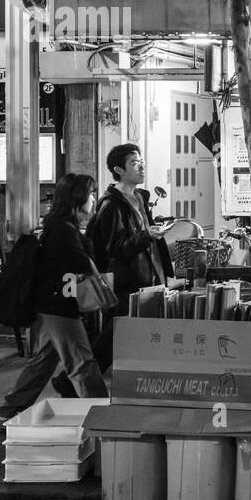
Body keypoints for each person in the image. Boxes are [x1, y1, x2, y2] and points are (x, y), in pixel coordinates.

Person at [0, 175, 110, 430]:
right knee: (82, 362)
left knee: (44, 360)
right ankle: (104, 417)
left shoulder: (58, 225)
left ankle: (8, 410)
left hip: (51, 303)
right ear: (77, 198)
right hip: (59, 305)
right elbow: (80, 264)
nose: (93, 199)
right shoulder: (63, 230)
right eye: (90, 194)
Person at [86, 143, 170, 371]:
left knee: (130, 332)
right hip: (127, 282)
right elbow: (116, 248)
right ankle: (80, 378)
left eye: (141, 161)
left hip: (148, 276)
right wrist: (146, 235)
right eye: (134, 162)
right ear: (119, 170)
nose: (141, 166)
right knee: (116, 333)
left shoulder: (139, 197)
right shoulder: (111, 205)